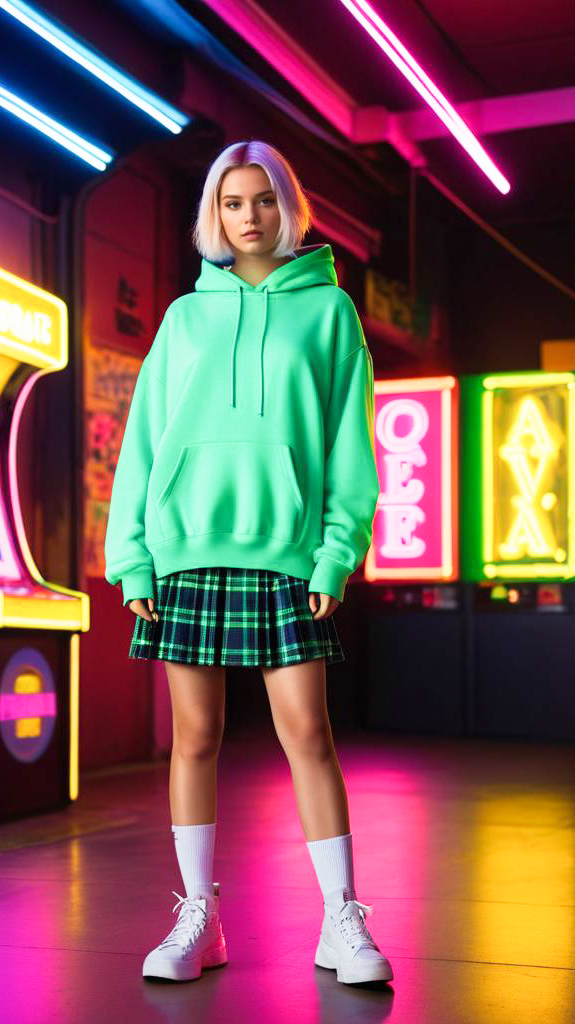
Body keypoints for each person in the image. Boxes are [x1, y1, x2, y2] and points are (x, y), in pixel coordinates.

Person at [103, 140, 390, 986]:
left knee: (308, 732)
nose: (250, 216)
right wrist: (133, 559)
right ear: (214, 215)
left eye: (264, 199)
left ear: (287, 208)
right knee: (194, 738)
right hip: (184, 551)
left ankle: (342, 920)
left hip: (289, 556)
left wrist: (336, 556)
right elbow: (143, 441)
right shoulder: (184, 318)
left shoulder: (329, 312)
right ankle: (200, 918)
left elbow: (349, 446)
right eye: (233, 202)